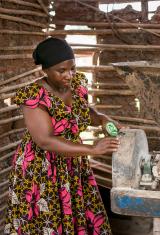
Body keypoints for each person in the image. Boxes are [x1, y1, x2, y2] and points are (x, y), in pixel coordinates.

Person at [5, 37, 120, 234]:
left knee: (77, 215)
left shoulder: (76, 85)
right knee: (48, 221)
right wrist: (92, 149)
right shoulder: (34, 95)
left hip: (72, 162)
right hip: (41, 169)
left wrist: (101, 118)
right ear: (45, 71)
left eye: (72, 68)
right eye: (62, 71)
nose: (69, 75)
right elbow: (45, 140)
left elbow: (83, 111)